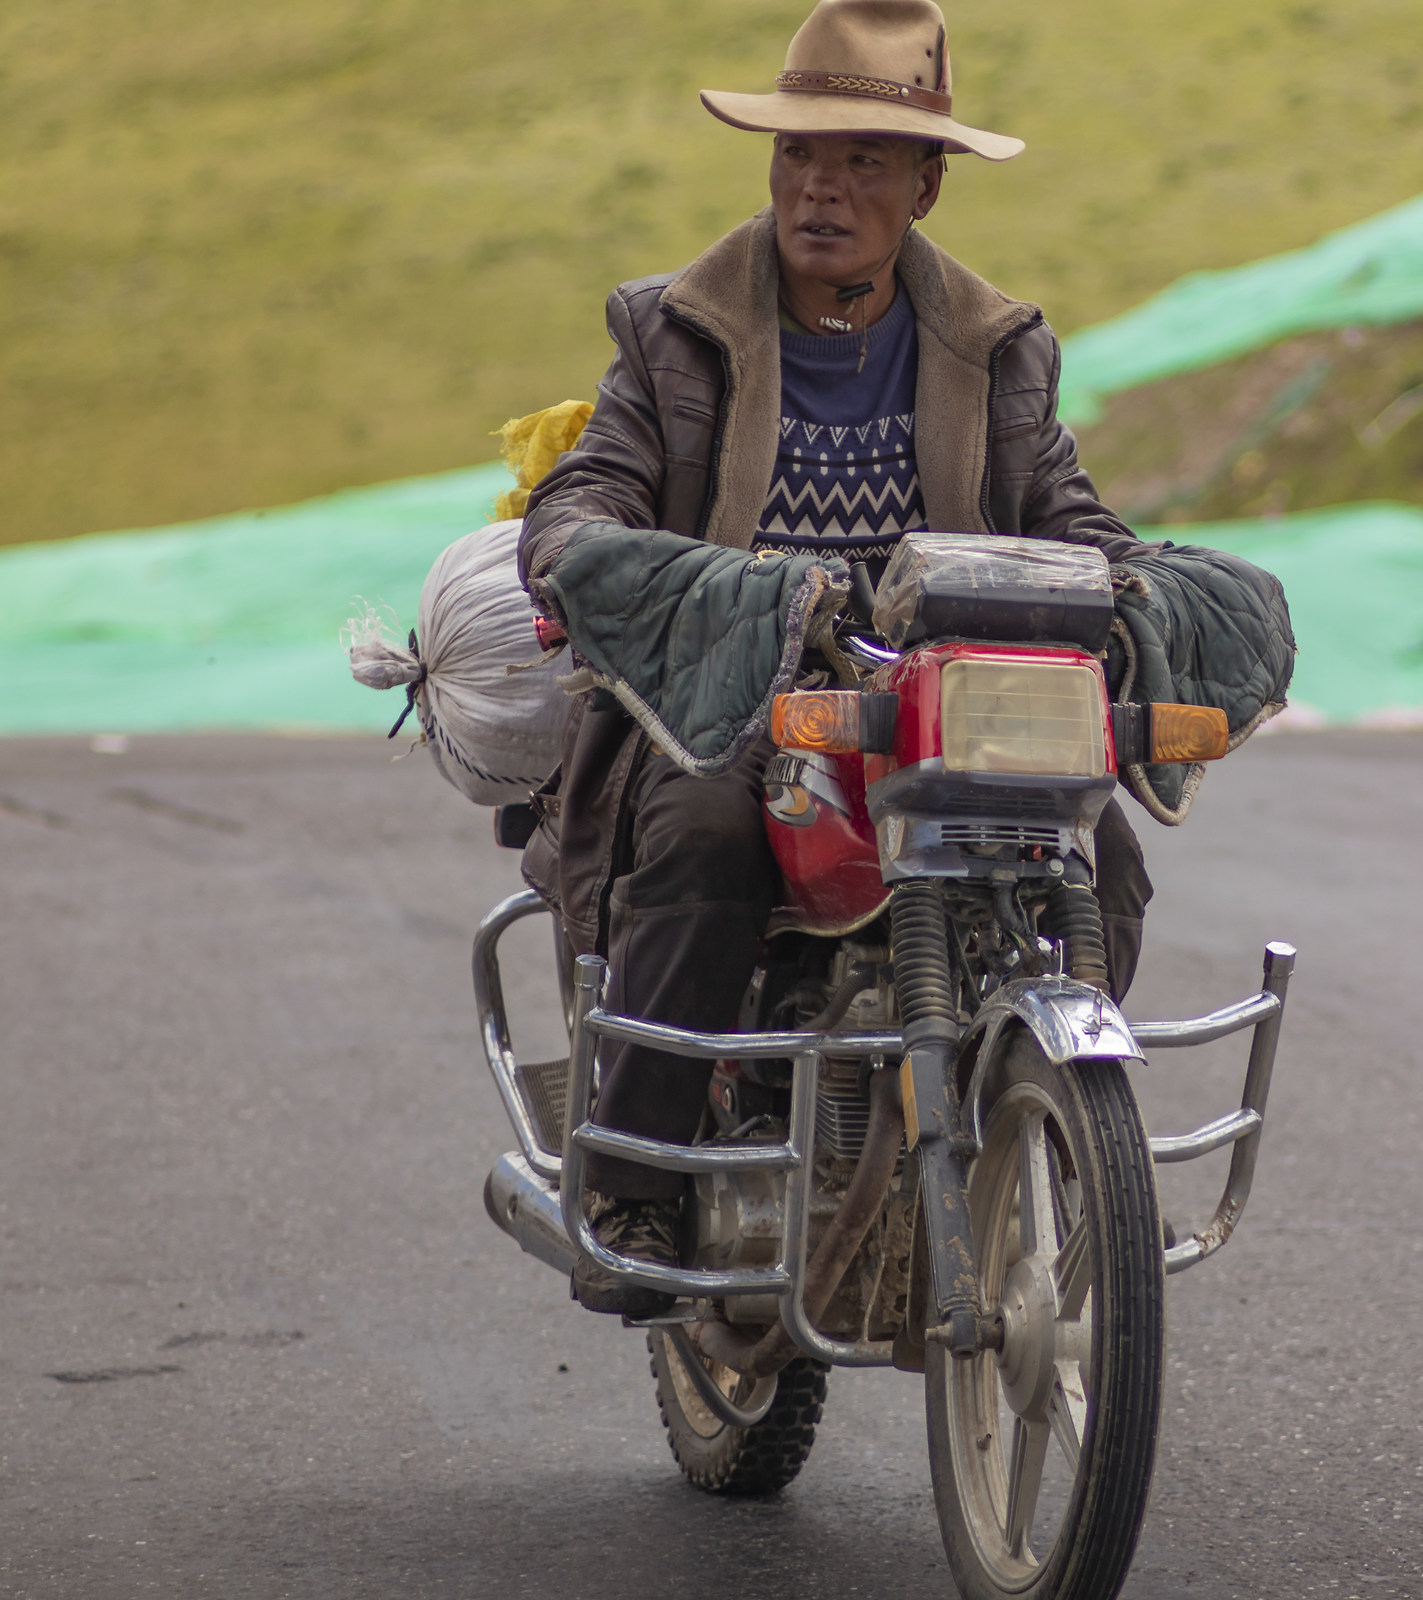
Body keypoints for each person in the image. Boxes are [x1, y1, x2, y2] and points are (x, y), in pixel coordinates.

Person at [516, 0, 1153, 1317]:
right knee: (698, 834)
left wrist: (1132, 585)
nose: (824, 187)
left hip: (946, 711)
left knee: (1104, 858)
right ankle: (634, 1174)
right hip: (726, 700)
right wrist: (602, 560)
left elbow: (1067, 517)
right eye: (803, 154)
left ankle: (1037, 1124)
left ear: (926, 184)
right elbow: (587, 498)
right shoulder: (673, 331)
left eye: (865, 159)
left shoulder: (999, 344)